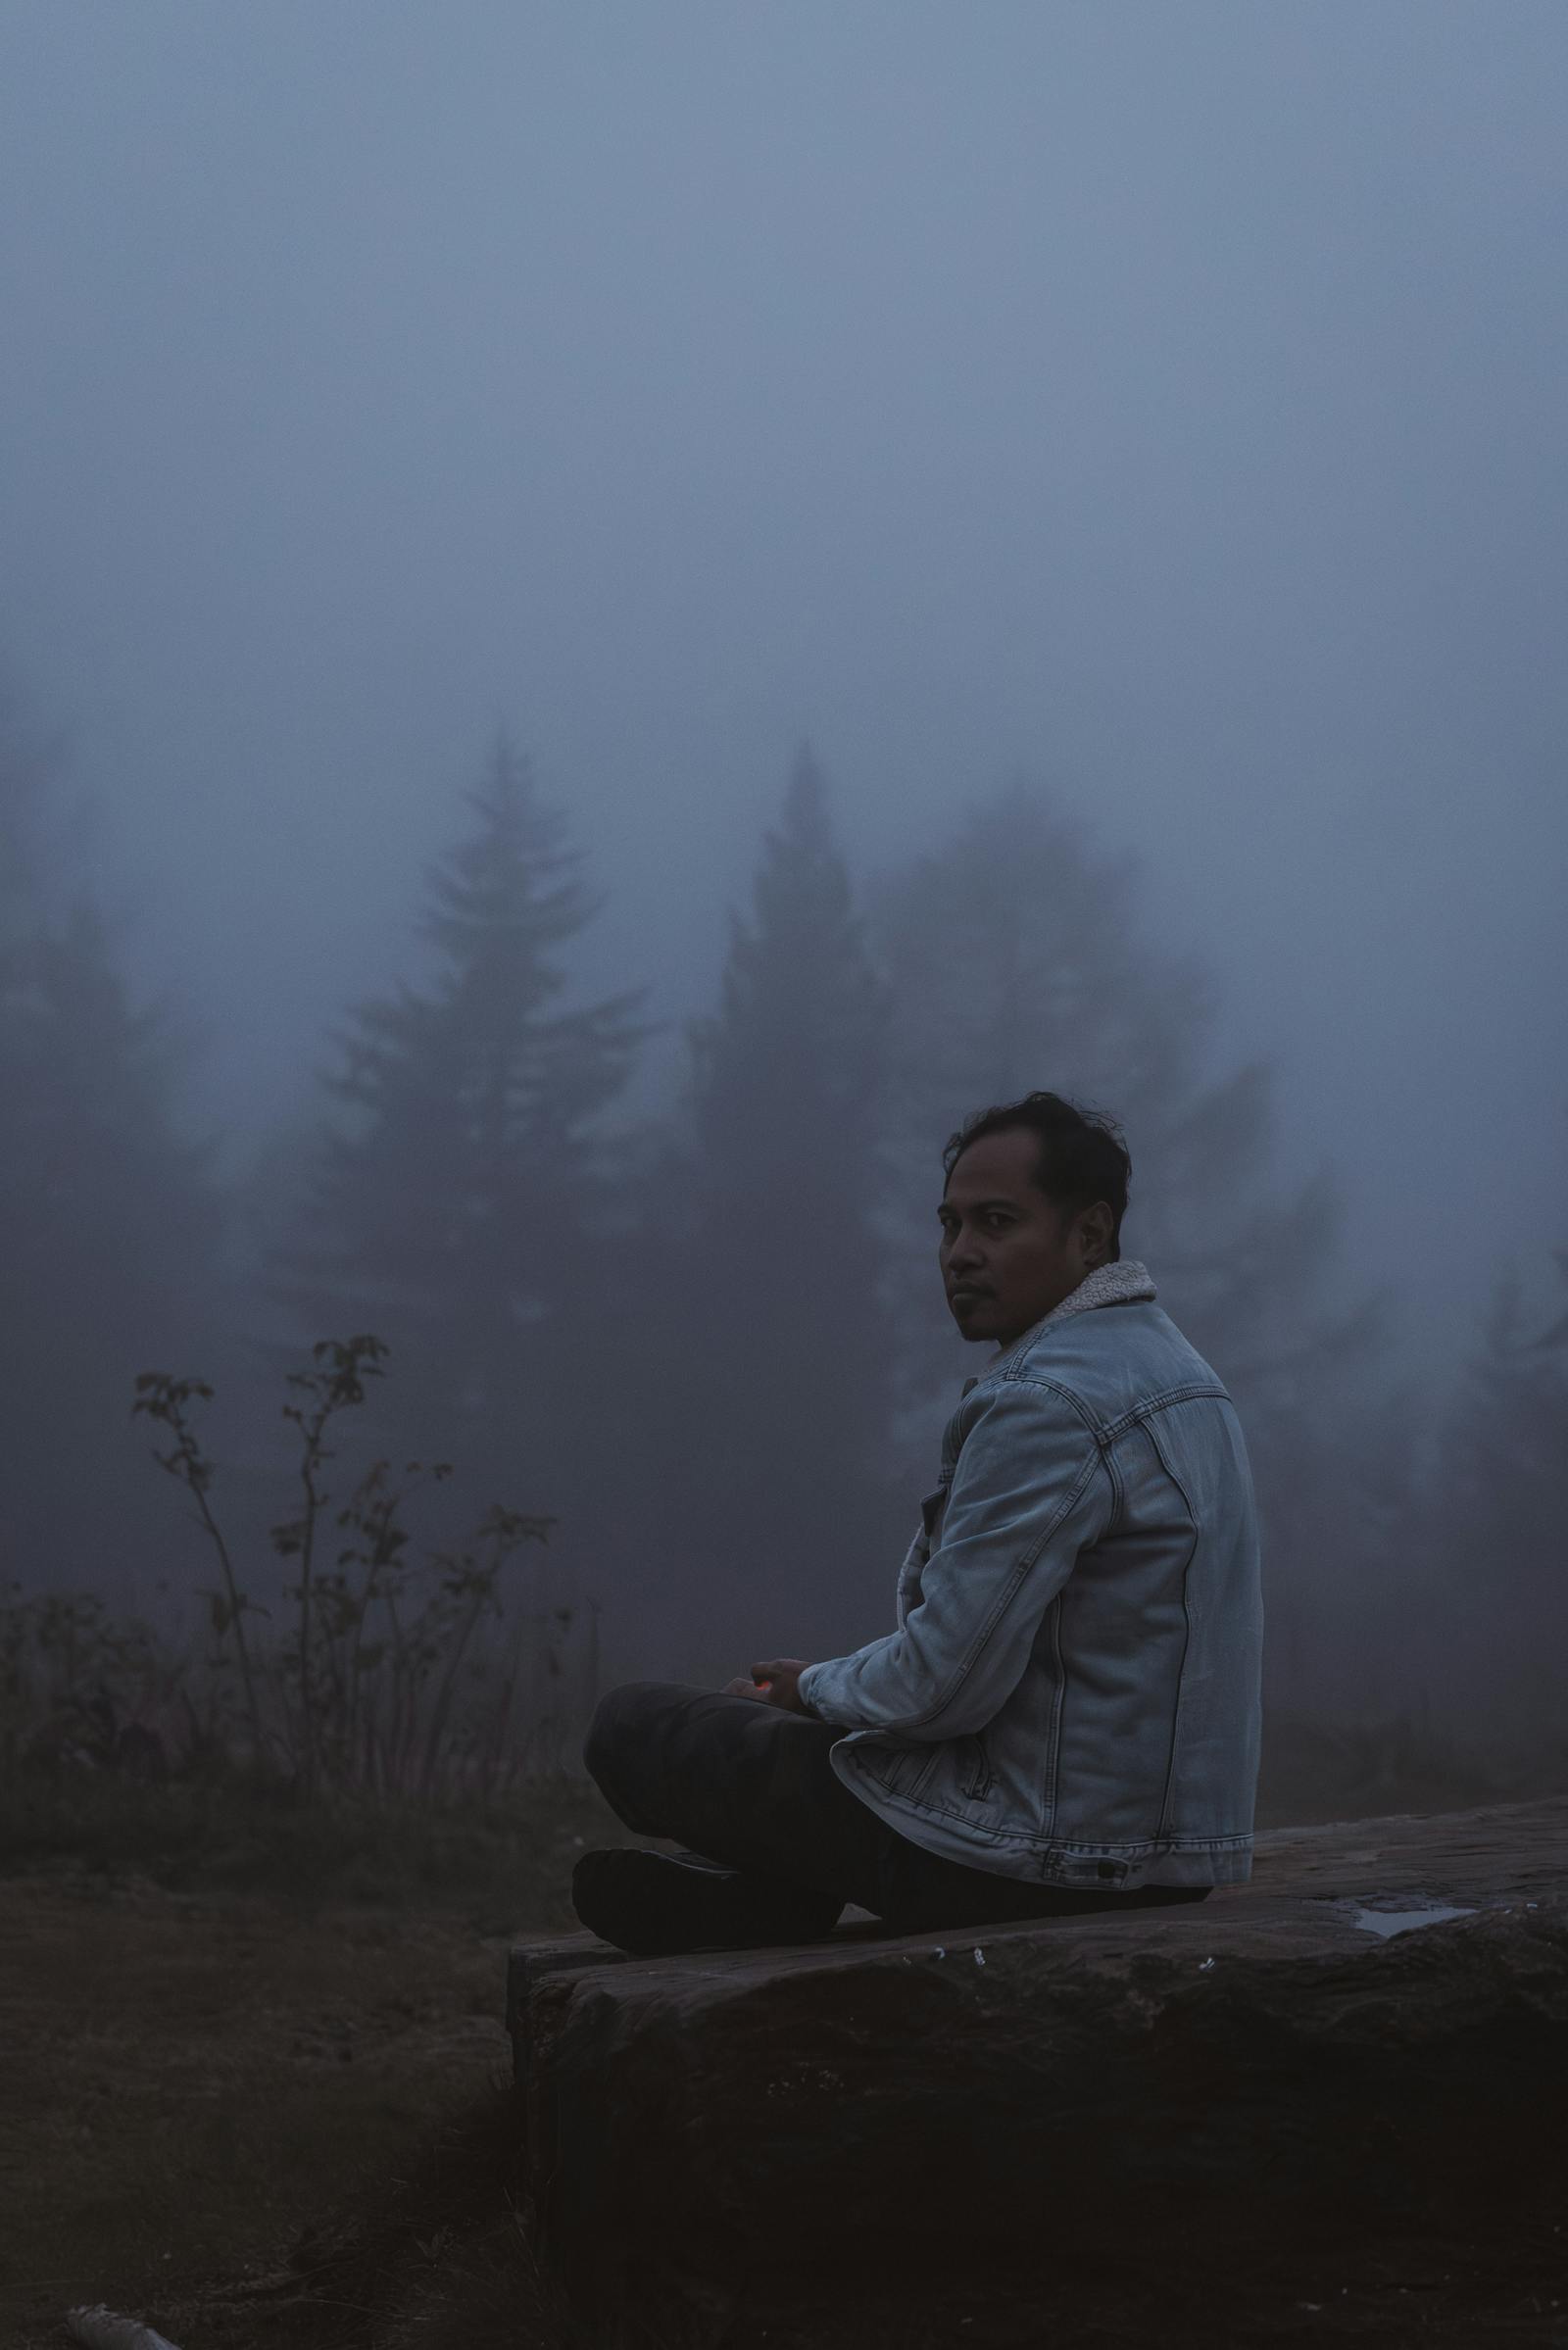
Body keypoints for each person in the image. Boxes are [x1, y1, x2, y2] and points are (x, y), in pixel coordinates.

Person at [572, 1090, 1264, 1956]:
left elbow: (942, 1684)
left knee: (635, 1726)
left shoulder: (1048, 1403)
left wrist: (811, 1689)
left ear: (1089, 1235)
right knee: (792, 1740)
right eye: (950, 1225)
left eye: (997, 1223)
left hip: (1023, 1857)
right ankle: (760, 1898)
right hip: (1170, 1851)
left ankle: (774, 1885)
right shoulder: (1180, 1373)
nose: (961, 1255)